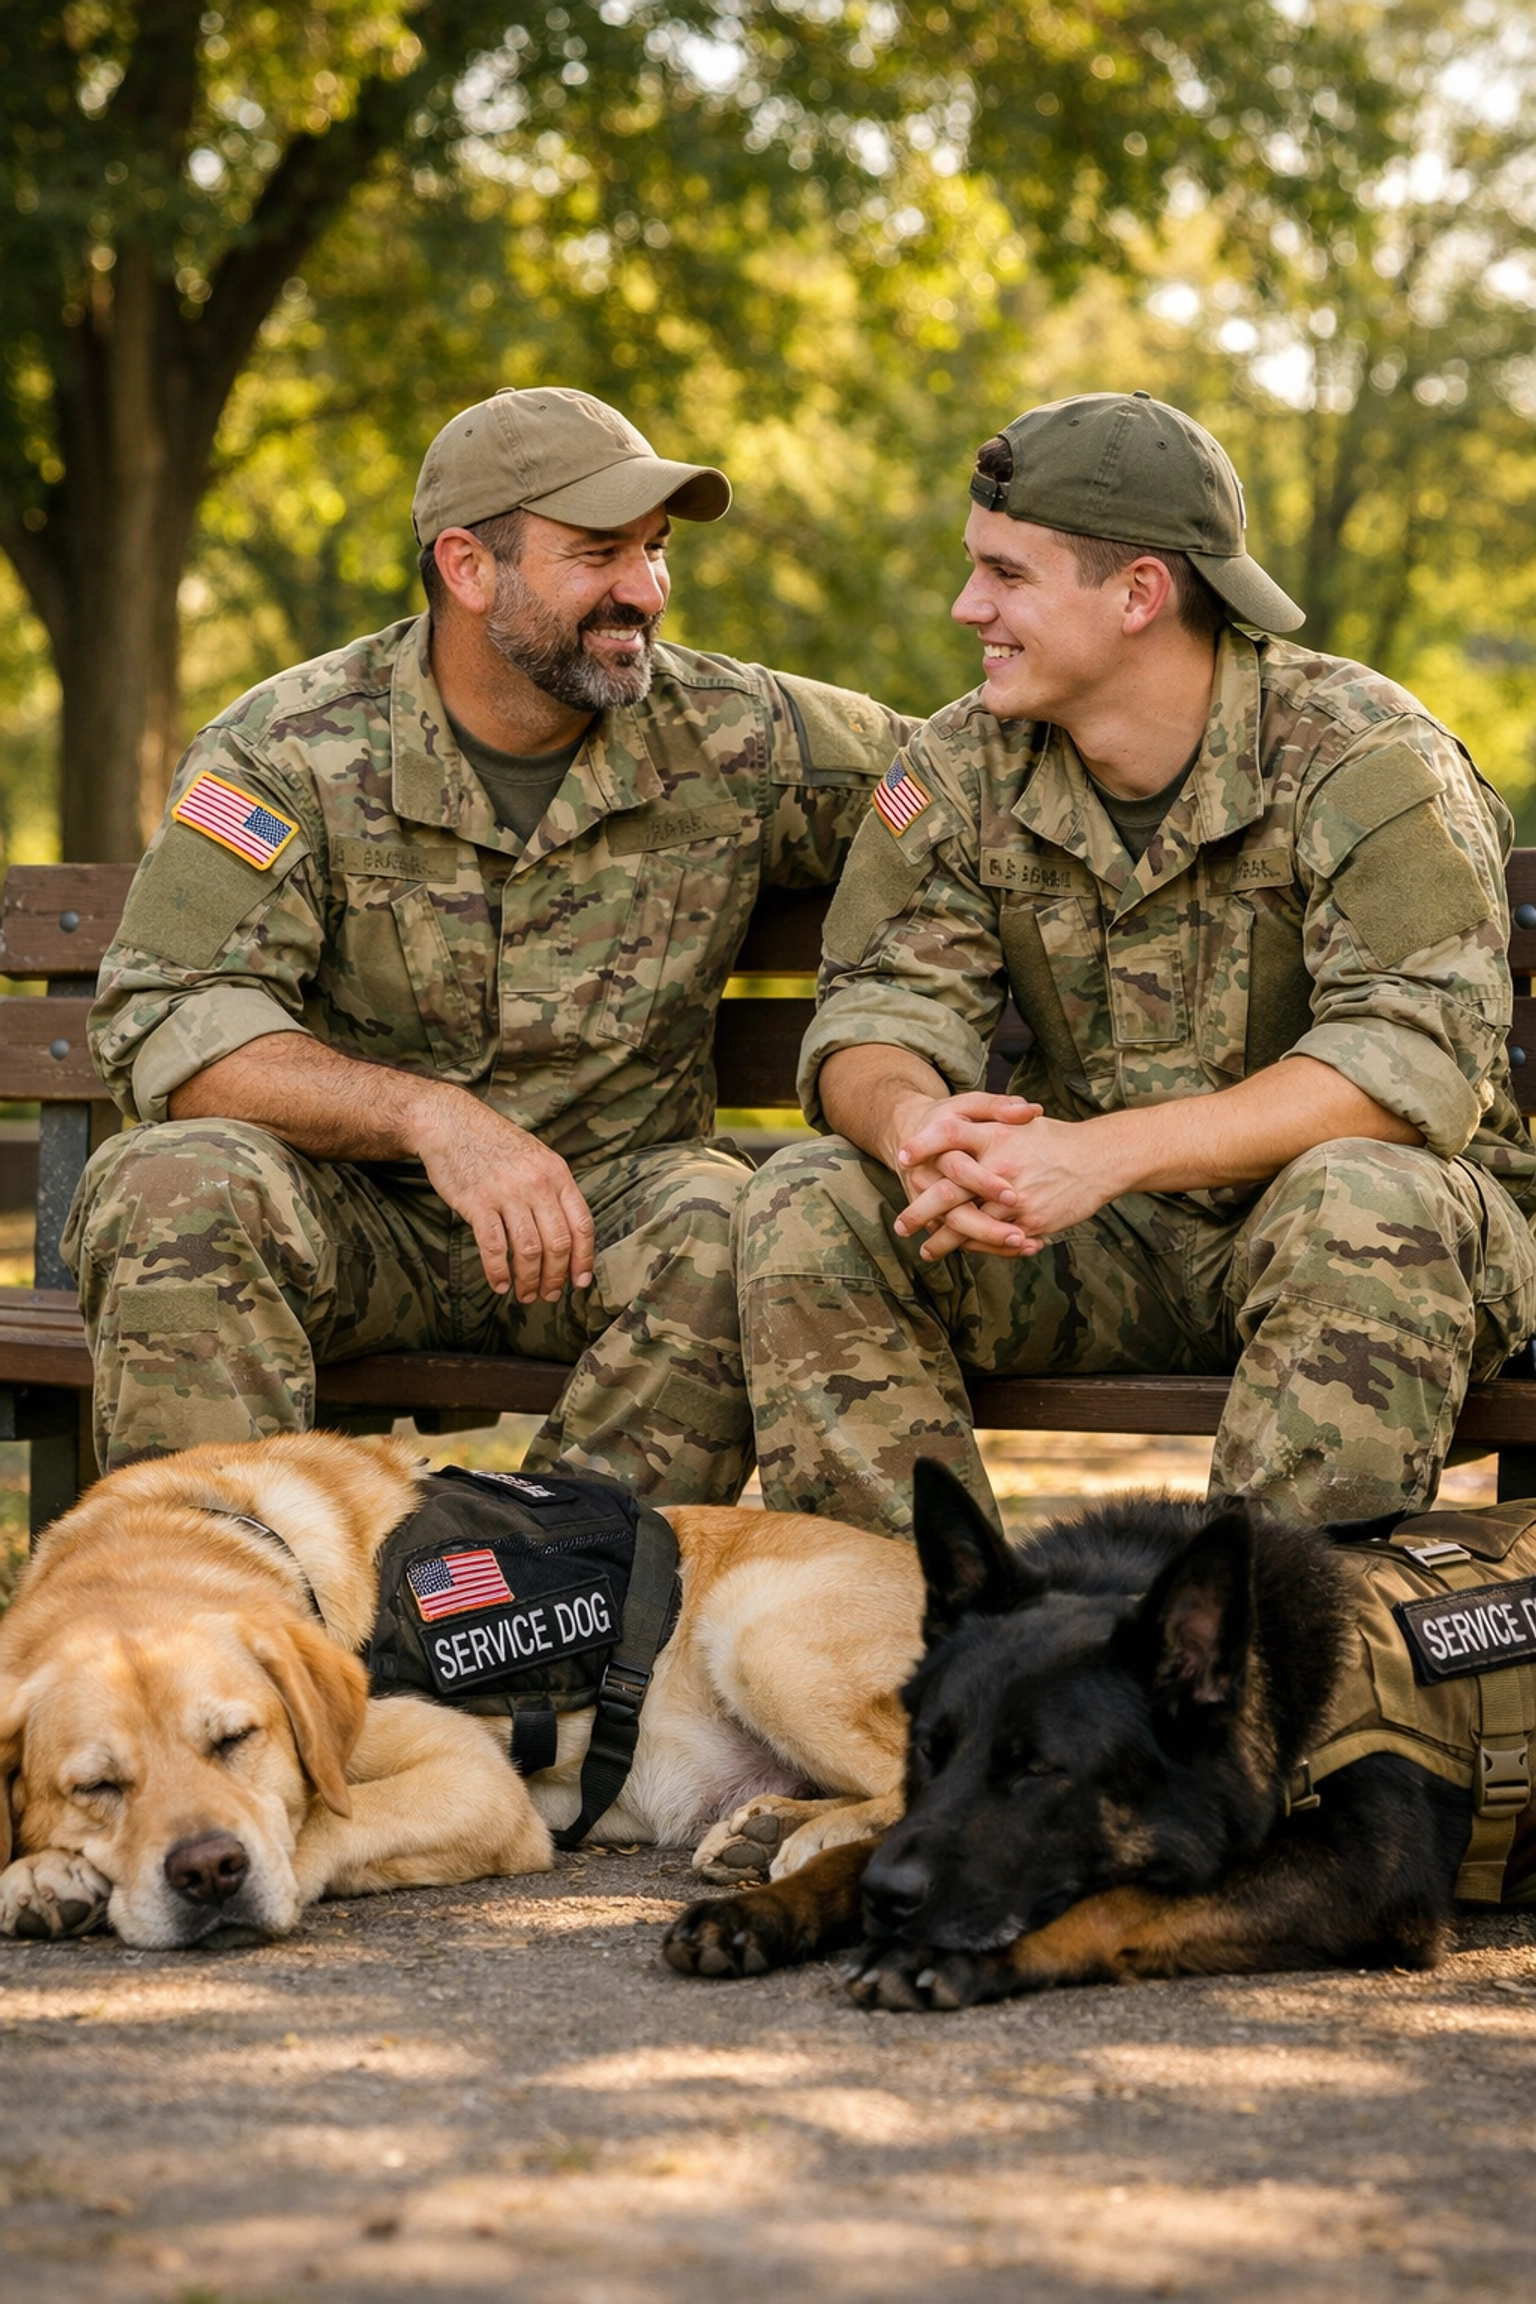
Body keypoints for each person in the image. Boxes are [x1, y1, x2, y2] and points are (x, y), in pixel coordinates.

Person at [69, 386, 910, 1487]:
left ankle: (535, 1610)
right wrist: (430, 1117)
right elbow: (167, 1015)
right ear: (467, 568)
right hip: (357, 1223)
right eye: (600, 553)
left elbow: (955, 787)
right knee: (171, 1182)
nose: (646, 591)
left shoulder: (737, 735)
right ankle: (232, 1622)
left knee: (733, 1216)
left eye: (657, 552)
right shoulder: (290, 750)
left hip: (610, 1222)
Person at [737, 390, 1536, 1537]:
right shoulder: (966, 761)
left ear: (1139, 594)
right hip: (1090, 1250)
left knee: (1364, 1197)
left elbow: (1407, 1070)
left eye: (1008, 575)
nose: (971, 607)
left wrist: (1098, 1155)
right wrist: (919, 1131)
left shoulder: (1362, 756)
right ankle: (922, 1663)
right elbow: (880, 1006)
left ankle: (1258, 1673)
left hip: (1348, 1241)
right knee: (810, 1196)